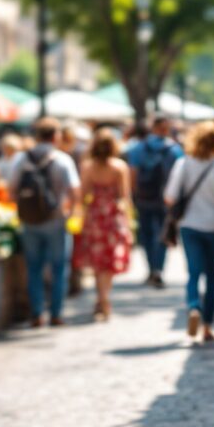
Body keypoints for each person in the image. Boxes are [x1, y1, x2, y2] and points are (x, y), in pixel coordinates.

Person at [164, 121, 214, 344]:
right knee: (213, 277)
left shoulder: (183, 163)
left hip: (190, 226)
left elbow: (169, 197)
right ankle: (207, 326)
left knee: (194, 272)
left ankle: (194, 306)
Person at [9, 117, 81, 327]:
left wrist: (25, 207)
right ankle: (56, 313)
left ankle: (37, 313)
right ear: (56, 136)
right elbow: (74, 191)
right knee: (59, 268)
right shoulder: (62, 159)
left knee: (34, 268)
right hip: (56, 220)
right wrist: (72, 212)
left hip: (29, 221)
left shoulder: (22, 159)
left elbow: (11, 190)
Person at [78, 129, 133, 320]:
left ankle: (100, 299)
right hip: (112, 216)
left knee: (97, 261)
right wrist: (129, 222)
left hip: (95, 216)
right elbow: (124, 197)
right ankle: (104, 298)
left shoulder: (88, 167)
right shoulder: (119, 167)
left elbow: (83, 195)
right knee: (109, 262)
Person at [125, 117, 183, 288]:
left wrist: (134, 195)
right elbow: (178, 176)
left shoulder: (138, 148)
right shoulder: (174, 149)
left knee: (146, 235)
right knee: (163, 234)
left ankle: (151, 268)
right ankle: (159, 268)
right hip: (166, 198)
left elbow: (132, 174)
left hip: (144, 198)